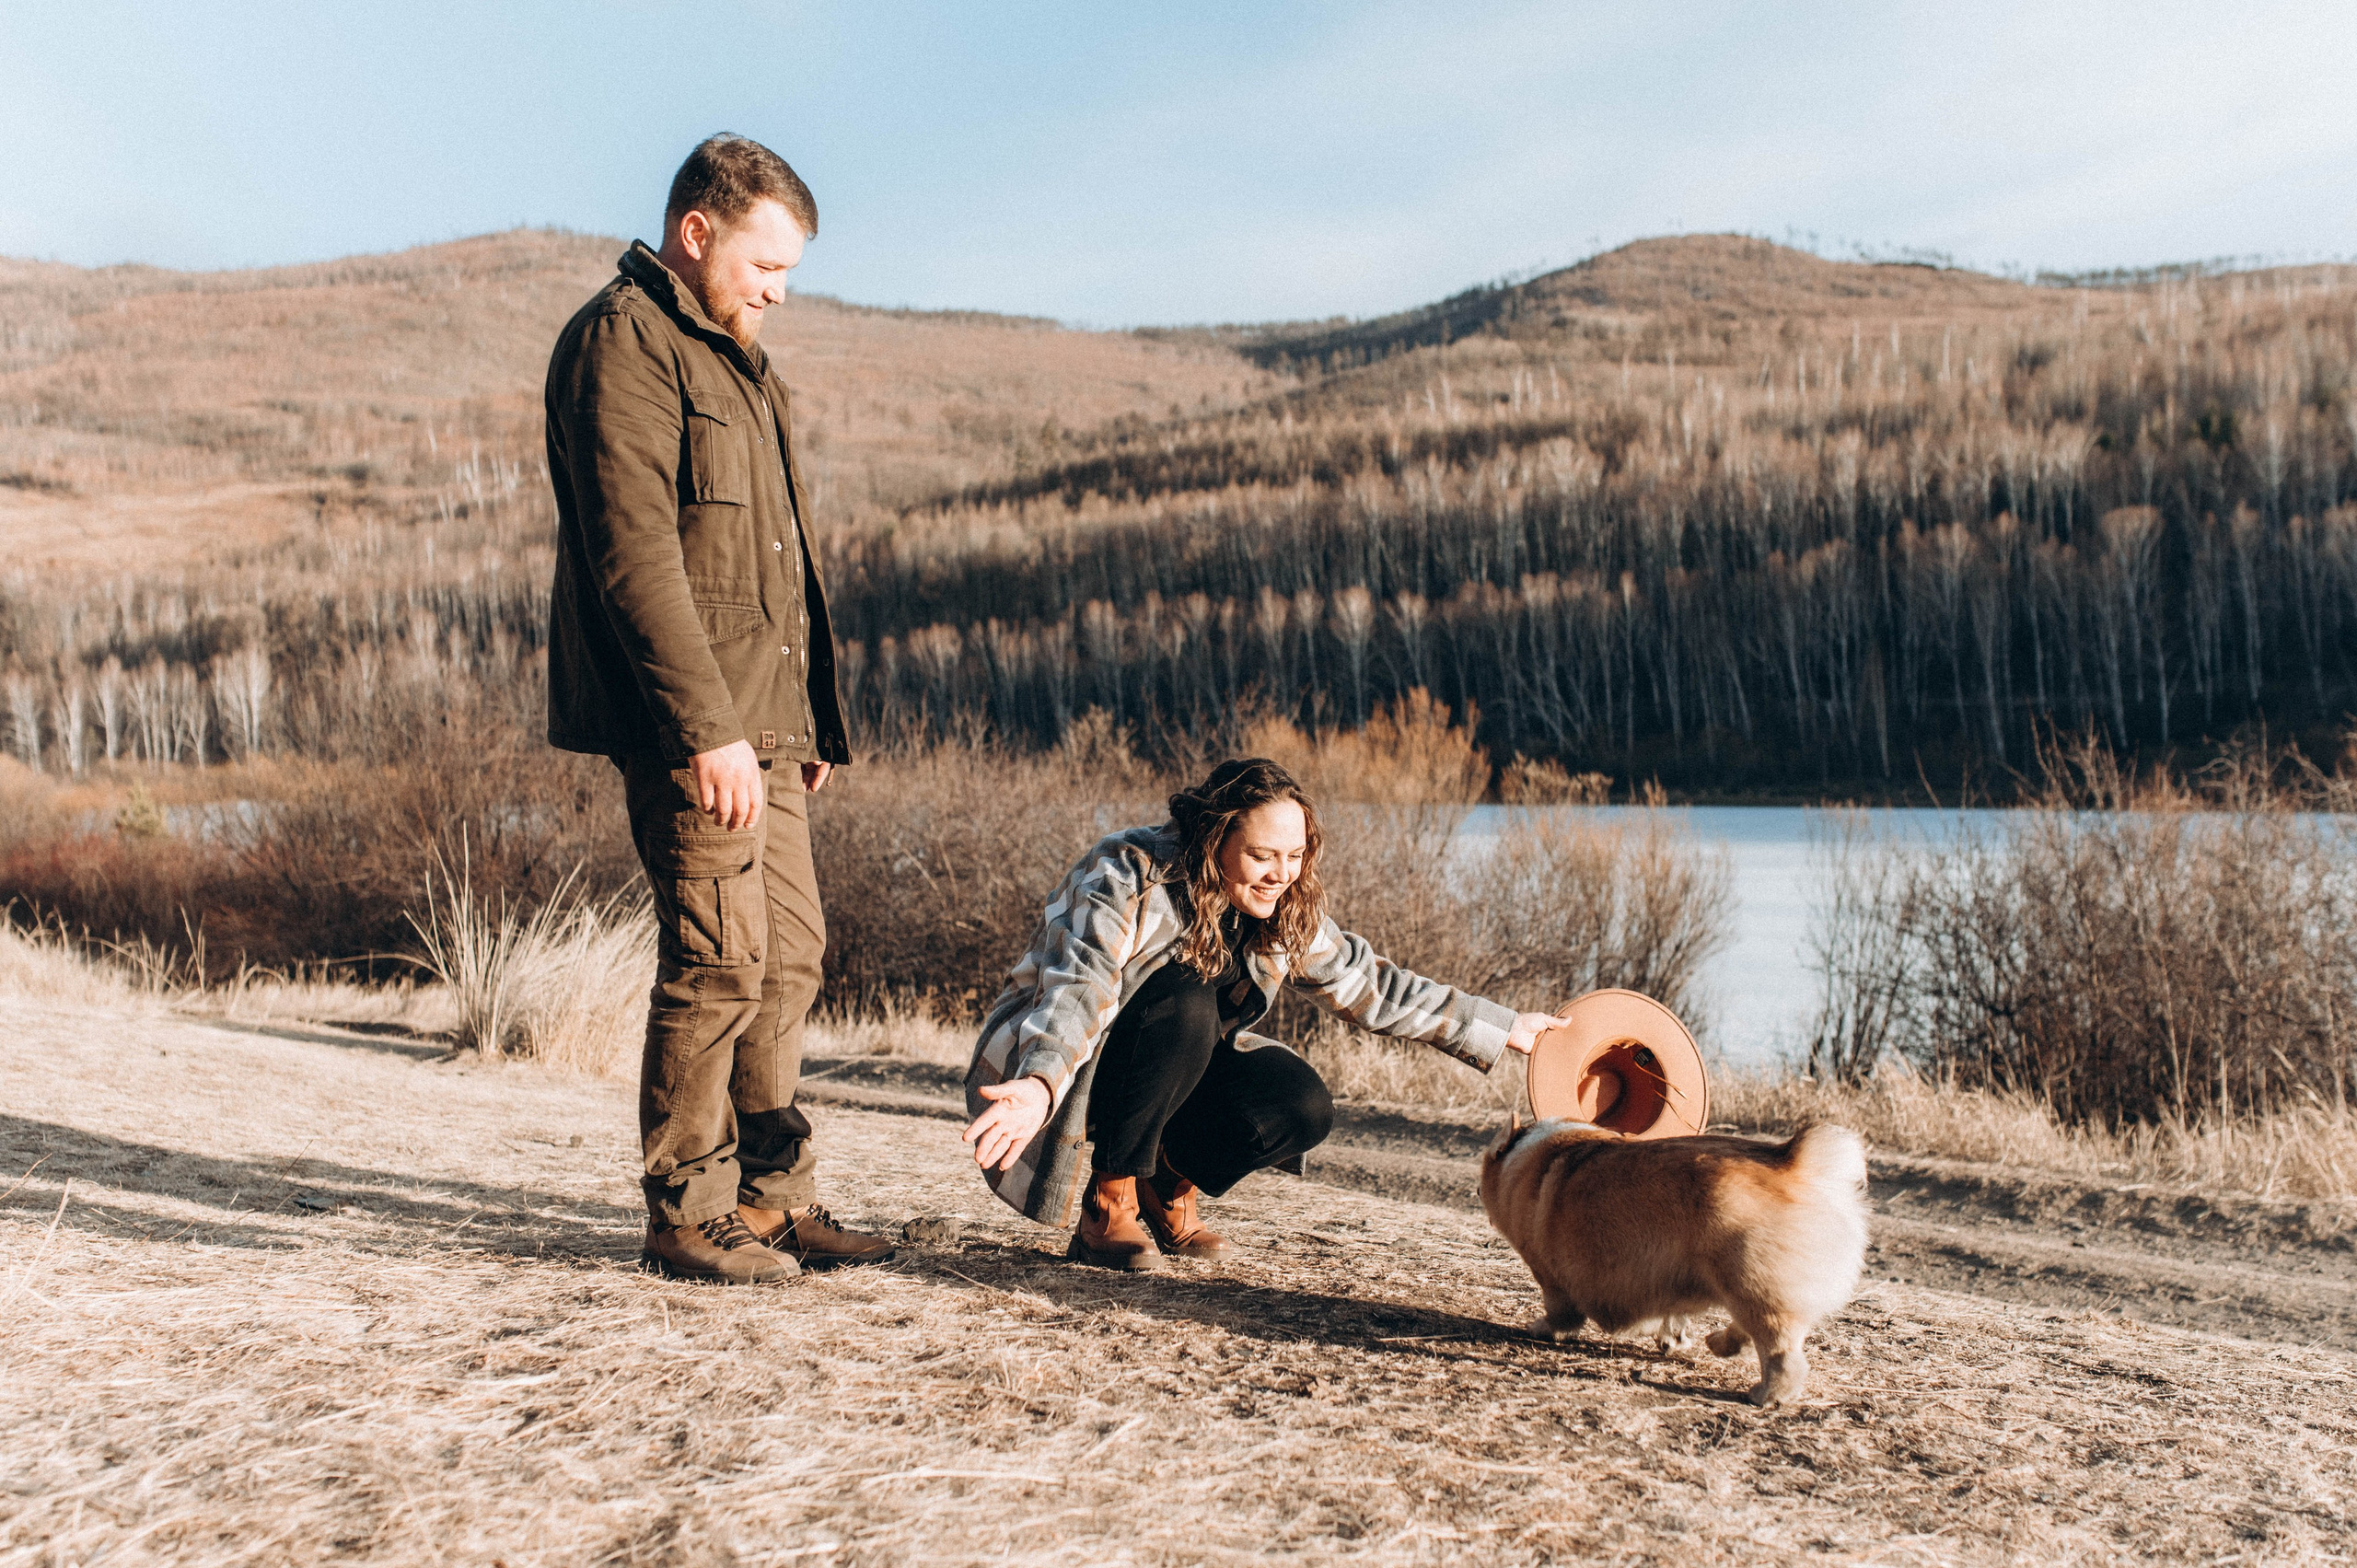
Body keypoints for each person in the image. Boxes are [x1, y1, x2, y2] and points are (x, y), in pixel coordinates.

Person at [544, 134, 892, 1283]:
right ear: (698, 232)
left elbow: (772, 561)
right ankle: (685, 1214)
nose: (777, 293)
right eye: (764, 264)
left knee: (791, 955)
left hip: (767, 729)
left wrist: (804, 722)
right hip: (697, 731)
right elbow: (636, 555)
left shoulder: (740, 359)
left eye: (789, 272)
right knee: (718, 960)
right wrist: (706, 727)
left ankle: (771, 1197)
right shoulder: (622, 344)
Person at [961, 757, 1560, 1270]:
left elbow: (1372, 987)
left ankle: (1163, 1179)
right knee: (1187, 1002)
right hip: (1075, 1064)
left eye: (1295, 854)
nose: (1282, 873)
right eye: (1262, 854)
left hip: (1173, 1068)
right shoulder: (1128, 872)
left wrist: (1506, 1026)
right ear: (1211, 836)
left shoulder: (1280, 904)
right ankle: (1108, 1201)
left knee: (1300, 1105)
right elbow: (1079, 981)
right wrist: (1040, 1082)